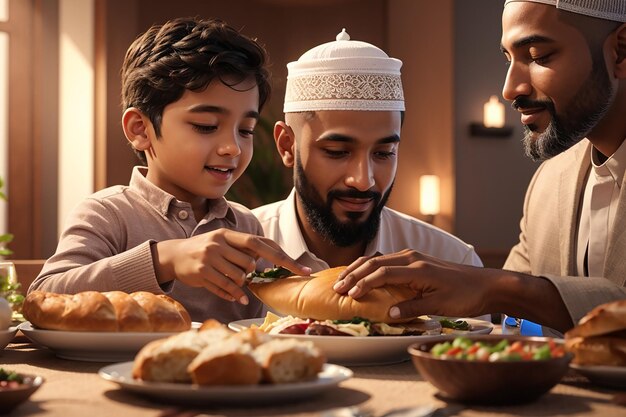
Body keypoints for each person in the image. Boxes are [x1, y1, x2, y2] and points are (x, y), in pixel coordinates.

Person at [334, 0, 626, 335]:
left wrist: (498, 289)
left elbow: (508, 293)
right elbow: (512, 324)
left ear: (620, 50)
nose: (509, 88)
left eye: (537, 56)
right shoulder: (549, 182)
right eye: (508, 59)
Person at [29, 17, 310, 323]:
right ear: (140, 129)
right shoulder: (107, 214)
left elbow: (259, 325)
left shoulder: (244, 224)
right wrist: (164, 259)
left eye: (246, 130)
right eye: (207, 126)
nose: (233, 147)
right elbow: (45, 294)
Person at [251, 29, 483, 276]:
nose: (363, 181)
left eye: (383, 153)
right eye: (338, 152)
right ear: (287, 145)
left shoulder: (452, 262)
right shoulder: (239, 256)